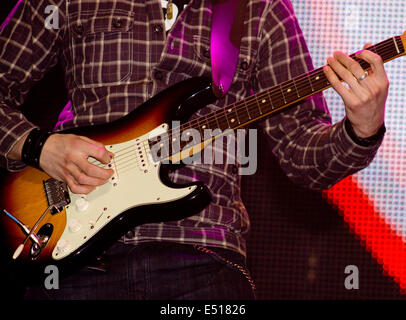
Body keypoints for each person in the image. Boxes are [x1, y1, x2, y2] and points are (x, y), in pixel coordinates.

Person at [0, 0, 388, 300]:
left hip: (202, 257)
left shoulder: (262, 8)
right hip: (69, 255)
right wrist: (39, 145)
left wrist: (362, 128)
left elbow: (303, 156)